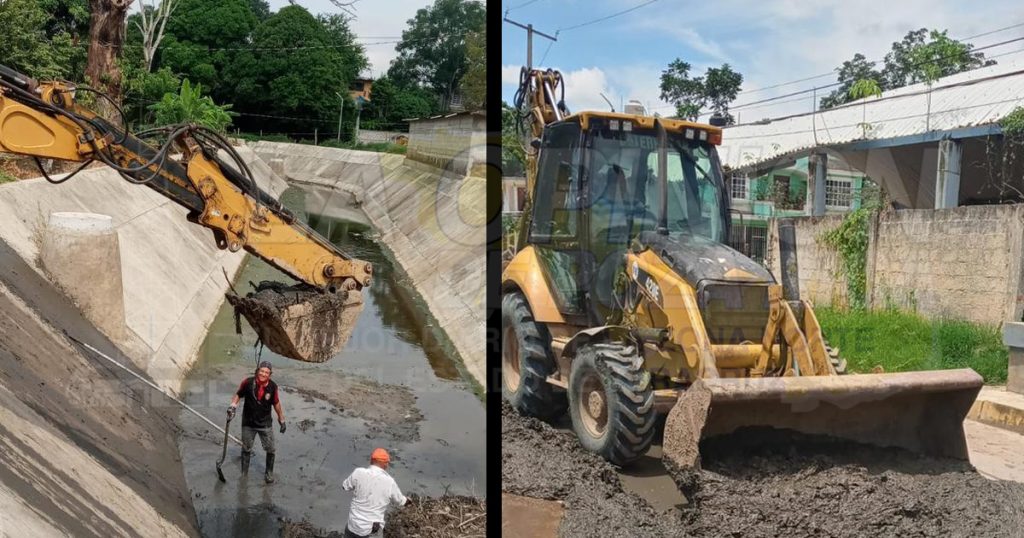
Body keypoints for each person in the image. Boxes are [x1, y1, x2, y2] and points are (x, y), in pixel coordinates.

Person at [228, 360, 286, 484]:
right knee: (246, 448)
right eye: (262, 371)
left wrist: (281, 419)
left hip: (265, 424)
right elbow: (238, 395)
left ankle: (269, 473)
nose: (263, 374)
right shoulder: (248, 382)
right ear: (257, 371)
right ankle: (244, 474)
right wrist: (232, 406)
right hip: (248, 423)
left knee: (270, 449)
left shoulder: (273, 387)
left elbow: (276, 403)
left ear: (270, 375)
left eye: (266, 372)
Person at [342, 448, 408, 537]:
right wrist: (408, 501)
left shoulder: (358, 472)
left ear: (371, 461)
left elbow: (345, 486)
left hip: (352, 525)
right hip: (371, 530)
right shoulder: (389, 482)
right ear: (385, 465)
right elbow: (401, 501)